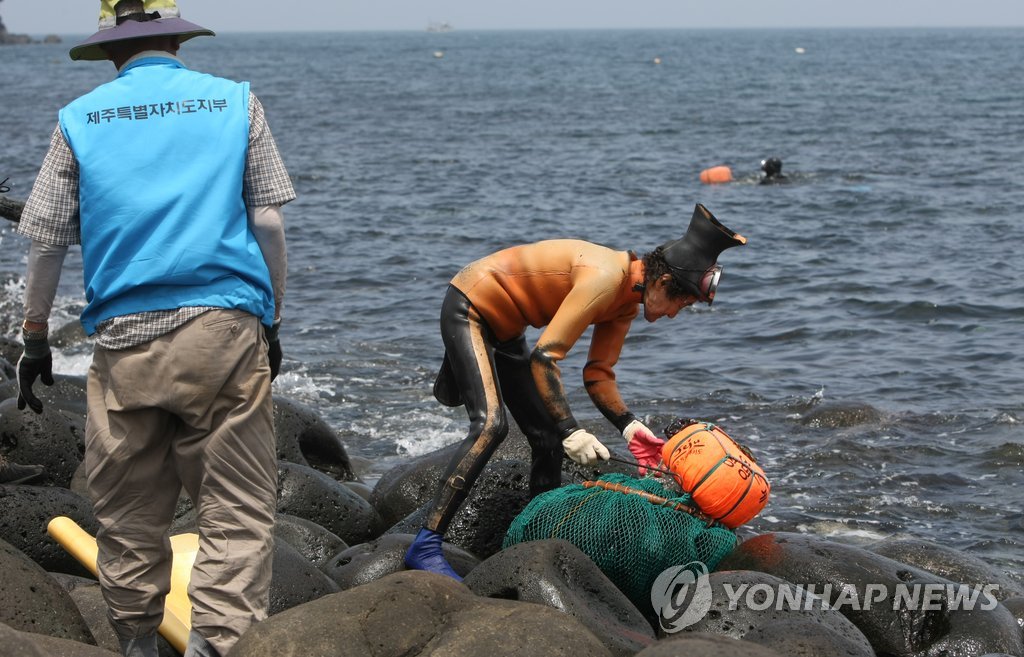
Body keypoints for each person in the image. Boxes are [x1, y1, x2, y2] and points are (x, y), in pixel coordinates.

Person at [15, 1, 295, 655]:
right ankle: (218, 645)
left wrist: (33, 337)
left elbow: (46, 244)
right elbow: (270, 225)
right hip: (224, 330)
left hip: (123, 340)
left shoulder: (78, 119)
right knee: (236, 506)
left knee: (127, 509)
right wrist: (272, 318)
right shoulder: (235, 102)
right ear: (175, 36)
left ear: (110, 47)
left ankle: (139, 640)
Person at [405, 203, 747, 580]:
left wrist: (630, 427)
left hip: (508, 330)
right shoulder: (606, 276)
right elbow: (545, 357)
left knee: (546, 439)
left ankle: (529, 540)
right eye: (680, 305)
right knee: (491, 427)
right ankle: (425, 543)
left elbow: (598, 374)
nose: (672, 315)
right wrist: (573, 429)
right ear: (663, 283)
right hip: (471, 307)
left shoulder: (625, 304)